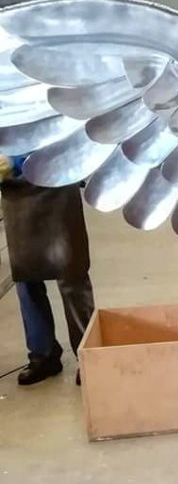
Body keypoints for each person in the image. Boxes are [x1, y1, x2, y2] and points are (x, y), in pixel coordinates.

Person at [0, 154, 96, 385]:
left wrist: (20, 160)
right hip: (16, 192)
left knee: (71, 275)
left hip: (57, 182)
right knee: (26, 278)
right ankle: (43, 355)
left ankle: (88, 355)